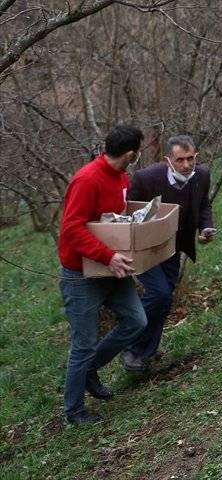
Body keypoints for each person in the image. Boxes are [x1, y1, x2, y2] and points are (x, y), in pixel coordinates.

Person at [57, 124, 149, 426]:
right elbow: (71, 229)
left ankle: (89, 370)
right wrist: (107, 256)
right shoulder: (86, 179)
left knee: (136, 320)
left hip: (112, 269)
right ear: (130, 153)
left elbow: (113, 221)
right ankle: (74, 411)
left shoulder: (122, 178)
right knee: (83, 343)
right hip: (81, 274)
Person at [121, 134, 215, 373]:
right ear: (168, 160)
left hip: (174, 247)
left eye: (191, 158)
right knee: (160, 293)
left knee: (164, 298)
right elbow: (128, 212)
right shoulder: (146, 178)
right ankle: (129, 345)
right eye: (180, 159)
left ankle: (143, 354)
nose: (186, 165)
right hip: (146, 248)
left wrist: (204, 227)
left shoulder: (201, 175)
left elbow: (204, 204)